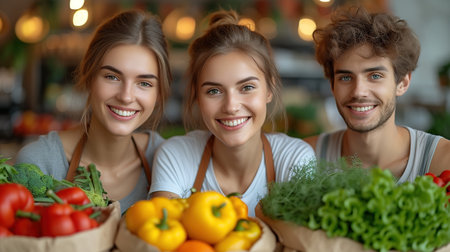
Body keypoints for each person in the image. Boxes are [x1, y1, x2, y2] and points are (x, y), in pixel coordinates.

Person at [150, 10, 315, 216]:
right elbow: (162, 236)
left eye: (246, 88)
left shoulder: (294, 158)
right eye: (214, 91)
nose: (230, 106)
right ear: (197, 97)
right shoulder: (176, 156)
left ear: (269, 90)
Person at [14, 10, 171, 213]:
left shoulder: (168, 160)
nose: (126, 96)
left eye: (144, 83)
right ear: (89, 77)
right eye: (112, 77)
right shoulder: (40, 163)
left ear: (158, 94)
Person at [304, 7, 450, 182]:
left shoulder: (442, 160)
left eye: (375, 76)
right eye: (345, 77)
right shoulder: (305, 156)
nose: (358, 91)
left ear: (402, 83)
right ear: (332, 85)